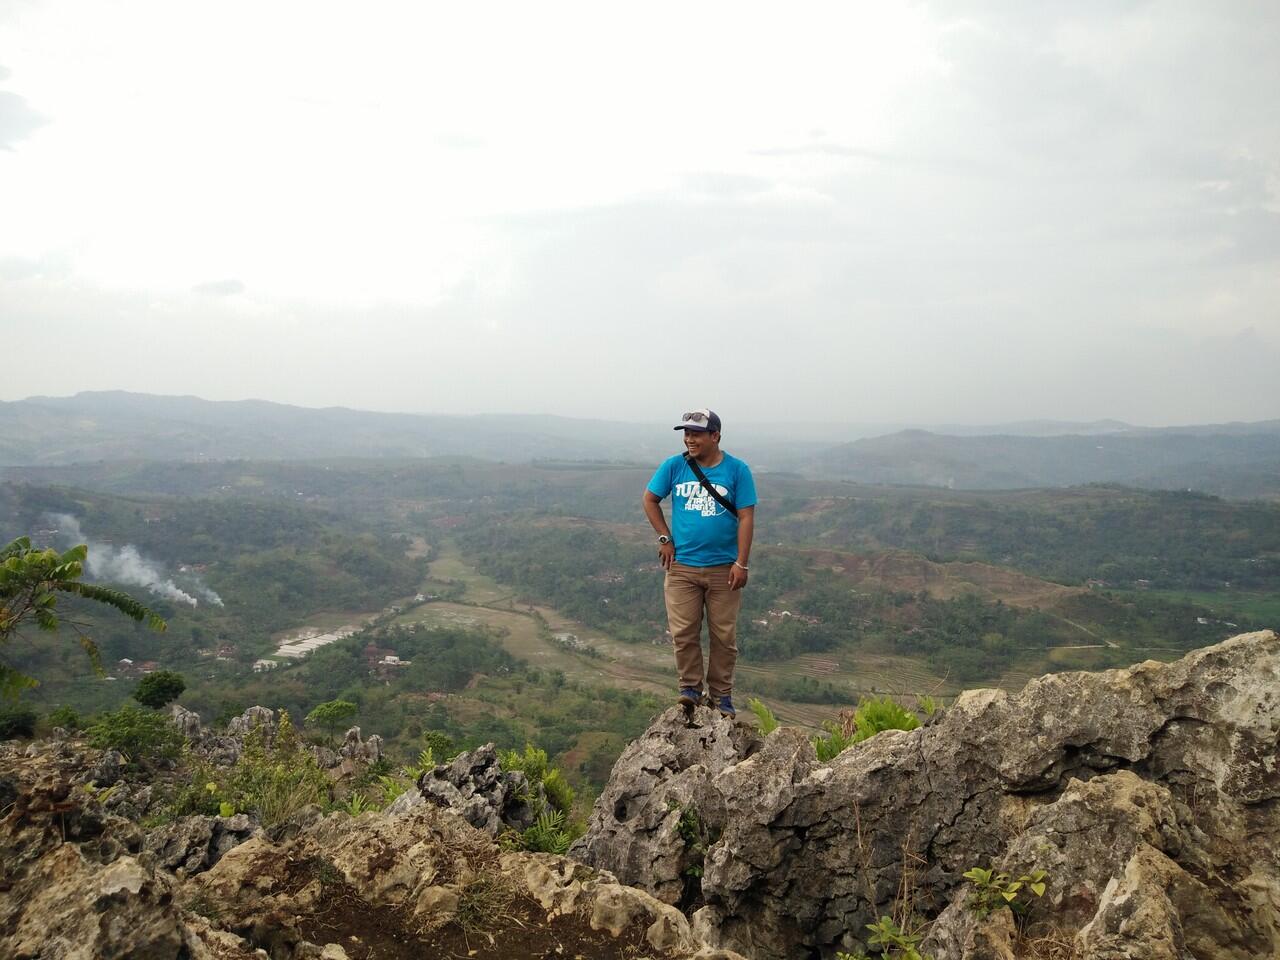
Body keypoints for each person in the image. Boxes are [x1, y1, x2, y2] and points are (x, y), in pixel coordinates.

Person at [642, 408, 756, 718]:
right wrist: (665, 538)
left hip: (724, 568)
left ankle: (721, 696)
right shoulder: (674, 467)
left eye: (696, 433)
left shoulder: (737, 470)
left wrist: (741, 563)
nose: (689, 439)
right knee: (684, 632)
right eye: (686, 433)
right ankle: (690, 688)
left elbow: (746, 516)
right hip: (682, 567)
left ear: (715, 436)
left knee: (724, 637)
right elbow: (649, 499)